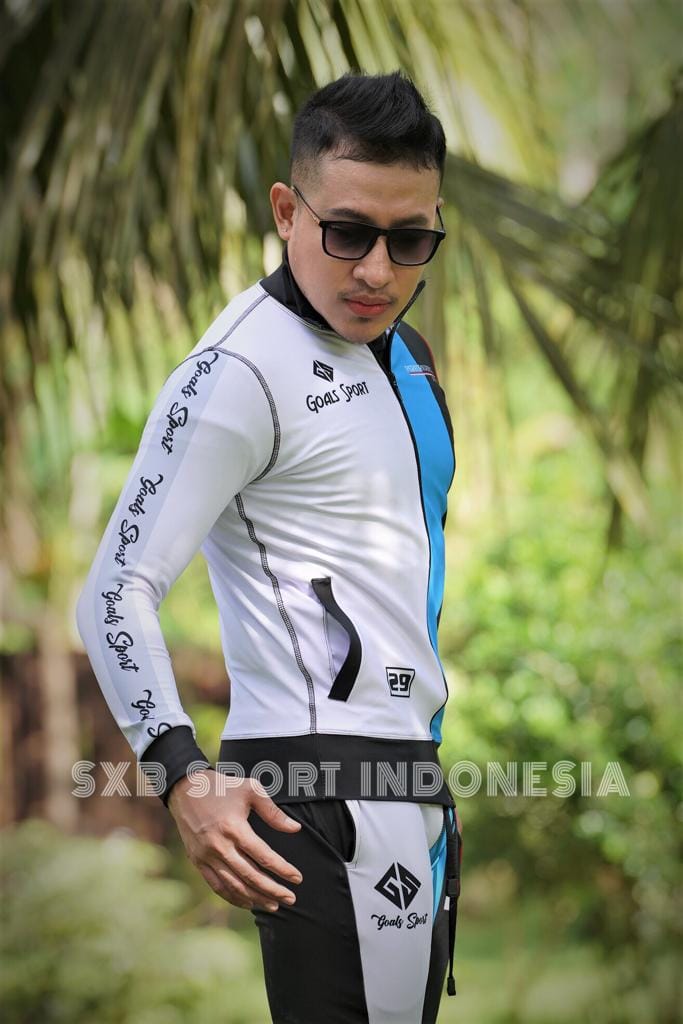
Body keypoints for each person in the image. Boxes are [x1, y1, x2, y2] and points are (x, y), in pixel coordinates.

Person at [77, 69, 462, 1024]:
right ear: (287, 212)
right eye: (347, 233)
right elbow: (115, 589)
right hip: (312, 794)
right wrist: (182, 775)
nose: (377, 271)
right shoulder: (238, 371)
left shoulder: (409, 359)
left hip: (412, 781)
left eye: (409, 240)